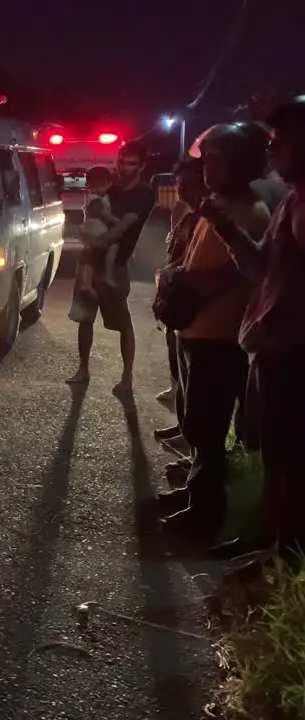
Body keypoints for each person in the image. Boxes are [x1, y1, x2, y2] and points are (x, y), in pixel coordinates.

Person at [198, 97, 305, 558]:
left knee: (292, 462)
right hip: (273, 351)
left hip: (294, 355)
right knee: (276, 457)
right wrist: (224, 227)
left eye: (279, 143)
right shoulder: (294, 201)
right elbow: (262, 267)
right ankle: (269, 546)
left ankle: (283, 558)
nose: (271, 154)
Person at [155, 123, 271, 544]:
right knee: (197, 423)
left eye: (217, 161)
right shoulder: (217, 206)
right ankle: (195, 496)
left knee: (207, 427)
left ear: (241, 164)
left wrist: (179, 281)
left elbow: (231, 277)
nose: (207, 169)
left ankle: (205, 515)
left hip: (219, 336)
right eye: (208, 160)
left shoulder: (248, 213)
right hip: (197, 331)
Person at [66, 141, 157, 392]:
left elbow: (124, 227)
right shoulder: (108, 186)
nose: (124, 168)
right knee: (85, 318)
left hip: (114, 264)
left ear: (141, 166)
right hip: (89, 260)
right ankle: (83, 369)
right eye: (122, 161)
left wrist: (99, 234)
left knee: (122, 323)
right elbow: (89, 214)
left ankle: (127, 377)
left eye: (131, 163)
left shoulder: (144, 193)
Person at [154, 159, 207, 454]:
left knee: (195, 384)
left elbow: (190, 264)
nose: (180, 189)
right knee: (179, 372)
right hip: (178, 308)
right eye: (178, 184)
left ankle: (192, 444)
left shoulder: (208, 218)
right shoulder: (189, 215)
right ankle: (183, 426)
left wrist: (173, 275)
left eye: (186, 183)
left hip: (194, 313)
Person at [73, 167, 121, 307]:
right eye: (95, 186)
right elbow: (104, 216)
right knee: (112, 248)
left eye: (101, 185)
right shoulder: (96, 200)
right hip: (95, 231)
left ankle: (88, 284)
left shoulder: (95, 198)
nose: (99, 189)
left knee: (90, 258)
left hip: (91, 231)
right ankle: (107, 274)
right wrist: (118, 222)